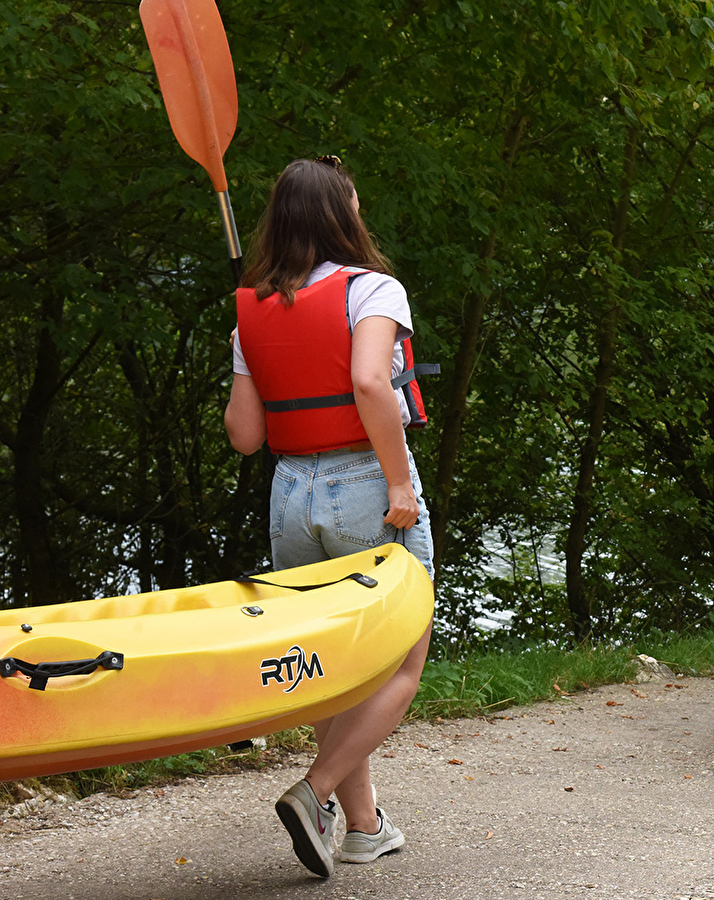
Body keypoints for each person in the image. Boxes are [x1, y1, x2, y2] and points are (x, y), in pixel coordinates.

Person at [224, 157, 434, 877]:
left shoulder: (250, 304)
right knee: (401, 661)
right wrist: (399, 483)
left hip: (290, 495)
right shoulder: (372, 288)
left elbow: (245, 435)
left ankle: (364, 827)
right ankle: (315, 793)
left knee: (330, 669)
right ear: (342, 215)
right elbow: (371, 382)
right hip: (364, 483)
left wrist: (250, 346)